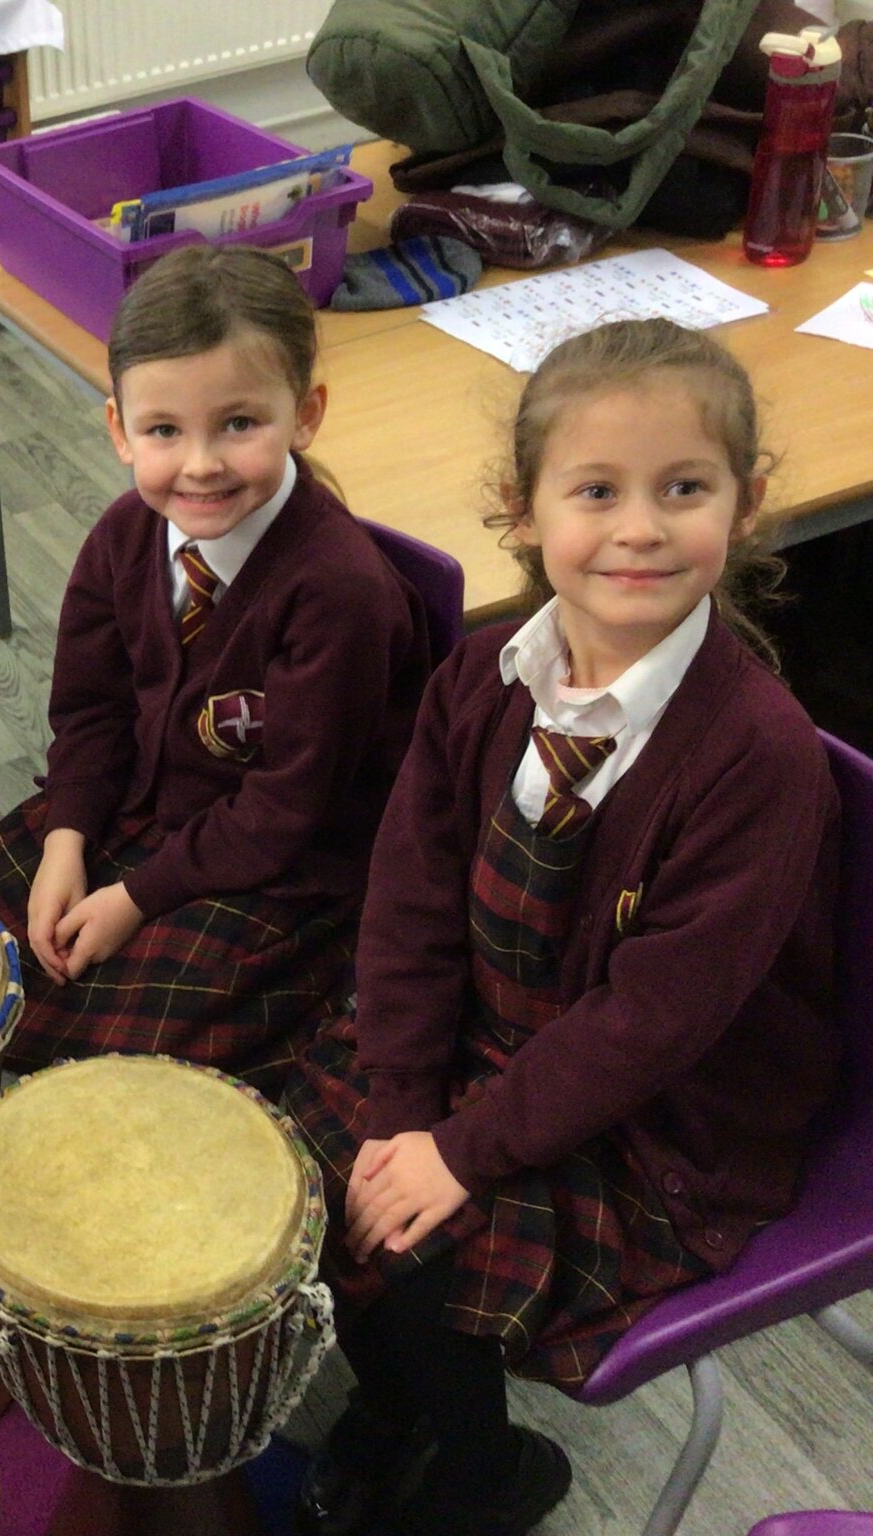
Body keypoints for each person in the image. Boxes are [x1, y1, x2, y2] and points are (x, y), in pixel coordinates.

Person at [285, 319, 840, 1536]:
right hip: (493, 1035)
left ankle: (484, 1480)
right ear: (521, 509)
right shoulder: (481, 674)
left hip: (666, 1121)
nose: (638, 529)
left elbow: (651, 1028)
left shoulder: (753, 755)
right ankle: (409, 1412)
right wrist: (401, 1112)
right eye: (595, 490)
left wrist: (458, 1151)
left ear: (740, 509)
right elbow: (410, 901)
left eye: (681, 490)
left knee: (416, 1263)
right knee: (308, 1174)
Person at [0, 246, 429, 1096]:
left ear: (305, 414)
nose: (201, 463)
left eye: (239, 424)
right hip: (136, 810)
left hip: (289, 869)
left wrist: (135, 897)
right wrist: (68, 838)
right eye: (165, 430)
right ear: (118, 431)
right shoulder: (120, 538)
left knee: (116, 1060)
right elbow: (91, 716)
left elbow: (286, 812)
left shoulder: (340, 592)